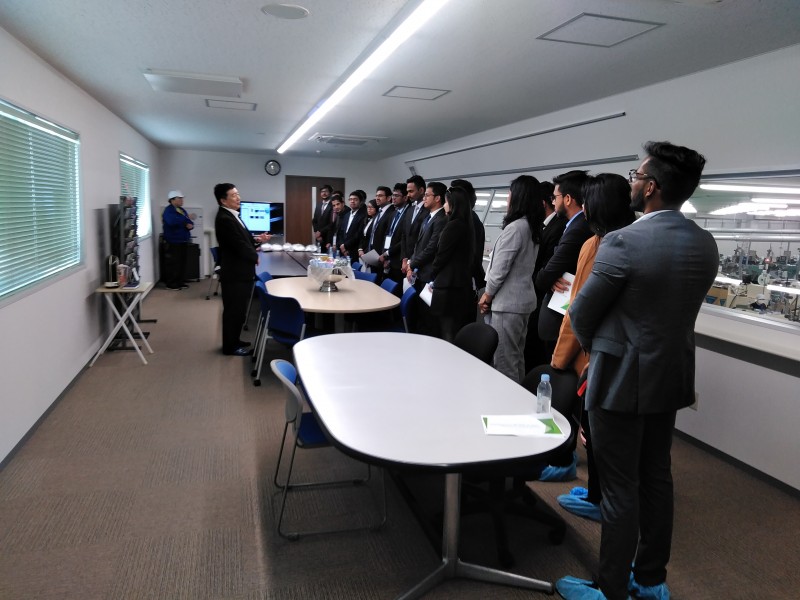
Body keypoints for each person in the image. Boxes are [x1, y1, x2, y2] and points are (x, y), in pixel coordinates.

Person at [557, 142, 719, 600]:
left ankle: (609, 588)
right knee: (656, 478)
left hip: (620, 380)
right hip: (671, 377)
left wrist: (601, 350)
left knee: (620, 488)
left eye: (637, 175)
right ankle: (650, 580)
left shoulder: (623, 241)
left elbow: (581, 314)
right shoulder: (704, 242)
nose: (632, 181)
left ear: (651, 188)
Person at [541, 173, 636, 505]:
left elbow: (577, 310)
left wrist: (559, 358)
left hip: (592, 353)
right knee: (600, 430)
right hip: (619, 352)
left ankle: (597, 499)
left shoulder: (600, 245)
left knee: (593, 428)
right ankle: (598, 492)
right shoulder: (629, 240)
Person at [478, 175, 545, 383]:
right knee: (516, 357)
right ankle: (519, 396)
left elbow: (499, 270)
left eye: (510, 193)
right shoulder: (531, 226)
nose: (508, 198)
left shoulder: (515, 228)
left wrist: (487, 295)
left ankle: (505, 400)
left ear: (518, 197)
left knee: (503, 362)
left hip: (507, 304)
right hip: (522, 302)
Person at [535, 170, 593, 357]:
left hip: (561, 314)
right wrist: (551, 275)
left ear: (568, 199)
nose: (553, 202)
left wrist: (549, 276)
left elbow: (544, 277)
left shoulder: (578, 229)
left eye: (555, 197)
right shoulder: (577, 225)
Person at [214, 183, 271, 357]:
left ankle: (235, 340)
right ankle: (230, 347)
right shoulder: (224, 219)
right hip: (234, 273)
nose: (238, 198)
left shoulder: (232, 215)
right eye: (233, 195)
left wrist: (257, 240)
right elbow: (238, 244)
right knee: (233, 311)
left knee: (239, 310)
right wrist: (254, 256)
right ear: (223, 200)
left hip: (240, 272)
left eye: (238, 194)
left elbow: (244, 239)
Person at [428, 186, 476, 341]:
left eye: (446, 202)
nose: (444, 205)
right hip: (459, 285)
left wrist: (432, 275)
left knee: (447, 331)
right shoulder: (466, 224)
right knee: (452, 329)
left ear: (453, 204)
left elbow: (441, 256)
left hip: (447, 286)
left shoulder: (453, 226)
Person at [161, 190, 194, 290]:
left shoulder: (181, 210)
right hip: (173, 241)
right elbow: (171, 222)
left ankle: (180, 282)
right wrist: (184, 220)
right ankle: (171, 284)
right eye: (179, 198)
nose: (182, 200)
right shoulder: (168, 211)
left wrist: (190, 225)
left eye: (182, 198)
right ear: (172, 200)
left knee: (182, 263)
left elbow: (188, 221)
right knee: (173, 263)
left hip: (183, 240)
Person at [339, 190, 367, 259]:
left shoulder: (363, 216)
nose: (352, 201)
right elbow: (341, 231)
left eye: (355, 199)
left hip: (354, 250)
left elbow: (358, 234)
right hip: (343, 250)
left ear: (360, 202)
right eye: (350, 199)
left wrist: (345, 246)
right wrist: (342, 245)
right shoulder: (346, 215)